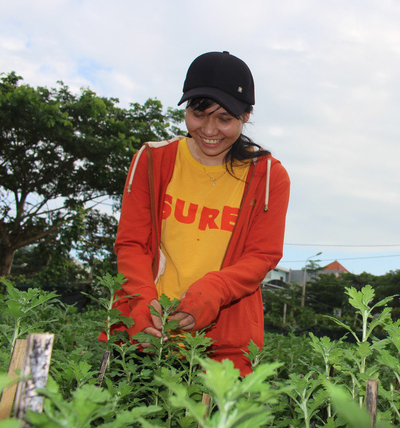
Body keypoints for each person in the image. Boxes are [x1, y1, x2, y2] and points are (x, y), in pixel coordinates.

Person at [108, 51, 290, 376]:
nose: (208, 130)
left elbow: (262, 255)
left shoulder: (268, 178)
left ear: (246, 115)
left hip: (221, 349)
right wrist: (141, 300)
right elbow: (132, 244)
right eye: (198, 114)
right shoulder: (152, 161)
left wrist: (214, 290)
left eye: (224, 118)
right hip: (146, 332)